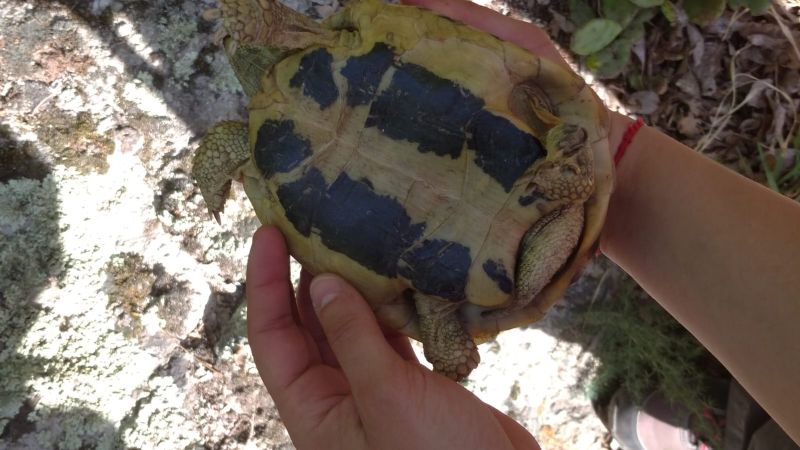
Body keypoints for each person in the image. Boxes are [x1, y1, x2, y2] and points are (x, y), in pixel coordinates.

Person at [243, 0, 800, 448]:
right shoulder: (334, 46)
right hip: (535, 191)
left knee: (443, 300)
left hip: (479, 262)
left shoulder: (265, 149)